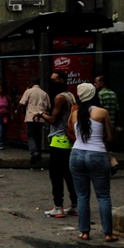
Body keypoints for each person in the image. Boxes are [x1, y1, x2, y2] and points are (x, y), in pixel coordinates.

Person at [69, 82, 117, 242]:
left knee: (82, 196)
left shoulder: (75, 113)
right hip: (97, 154)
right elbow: (110, 137)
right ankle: (108, 233)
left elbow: (71, 133)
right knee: (103, 195)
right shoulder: (102, 112)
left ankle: (84, 232)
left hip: (76, 154)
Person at [39, 71, 77, 217]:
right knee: (69, 175)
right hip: (68, 141)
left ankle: (58, 207)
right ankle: (75, 205)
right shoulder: (70, 96)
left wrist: (41, 114)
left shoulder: (60, 98)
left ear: (61, 81)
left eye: (54, 80)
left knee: (56, 175)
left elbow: (53, 119)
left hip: (58, 141)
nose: (51, 83)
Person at [19, 76, 50, 169]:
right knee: (38, 136)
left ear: (32, 82)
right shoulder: (44, 94)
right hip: (40, 118)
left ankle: (34, 151)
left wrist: (21, 111)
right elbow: (48, 106)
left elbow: (21, 103)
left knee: (31, 135)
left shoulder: (28, 92)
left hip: (30, 117)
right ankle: (38, 154)